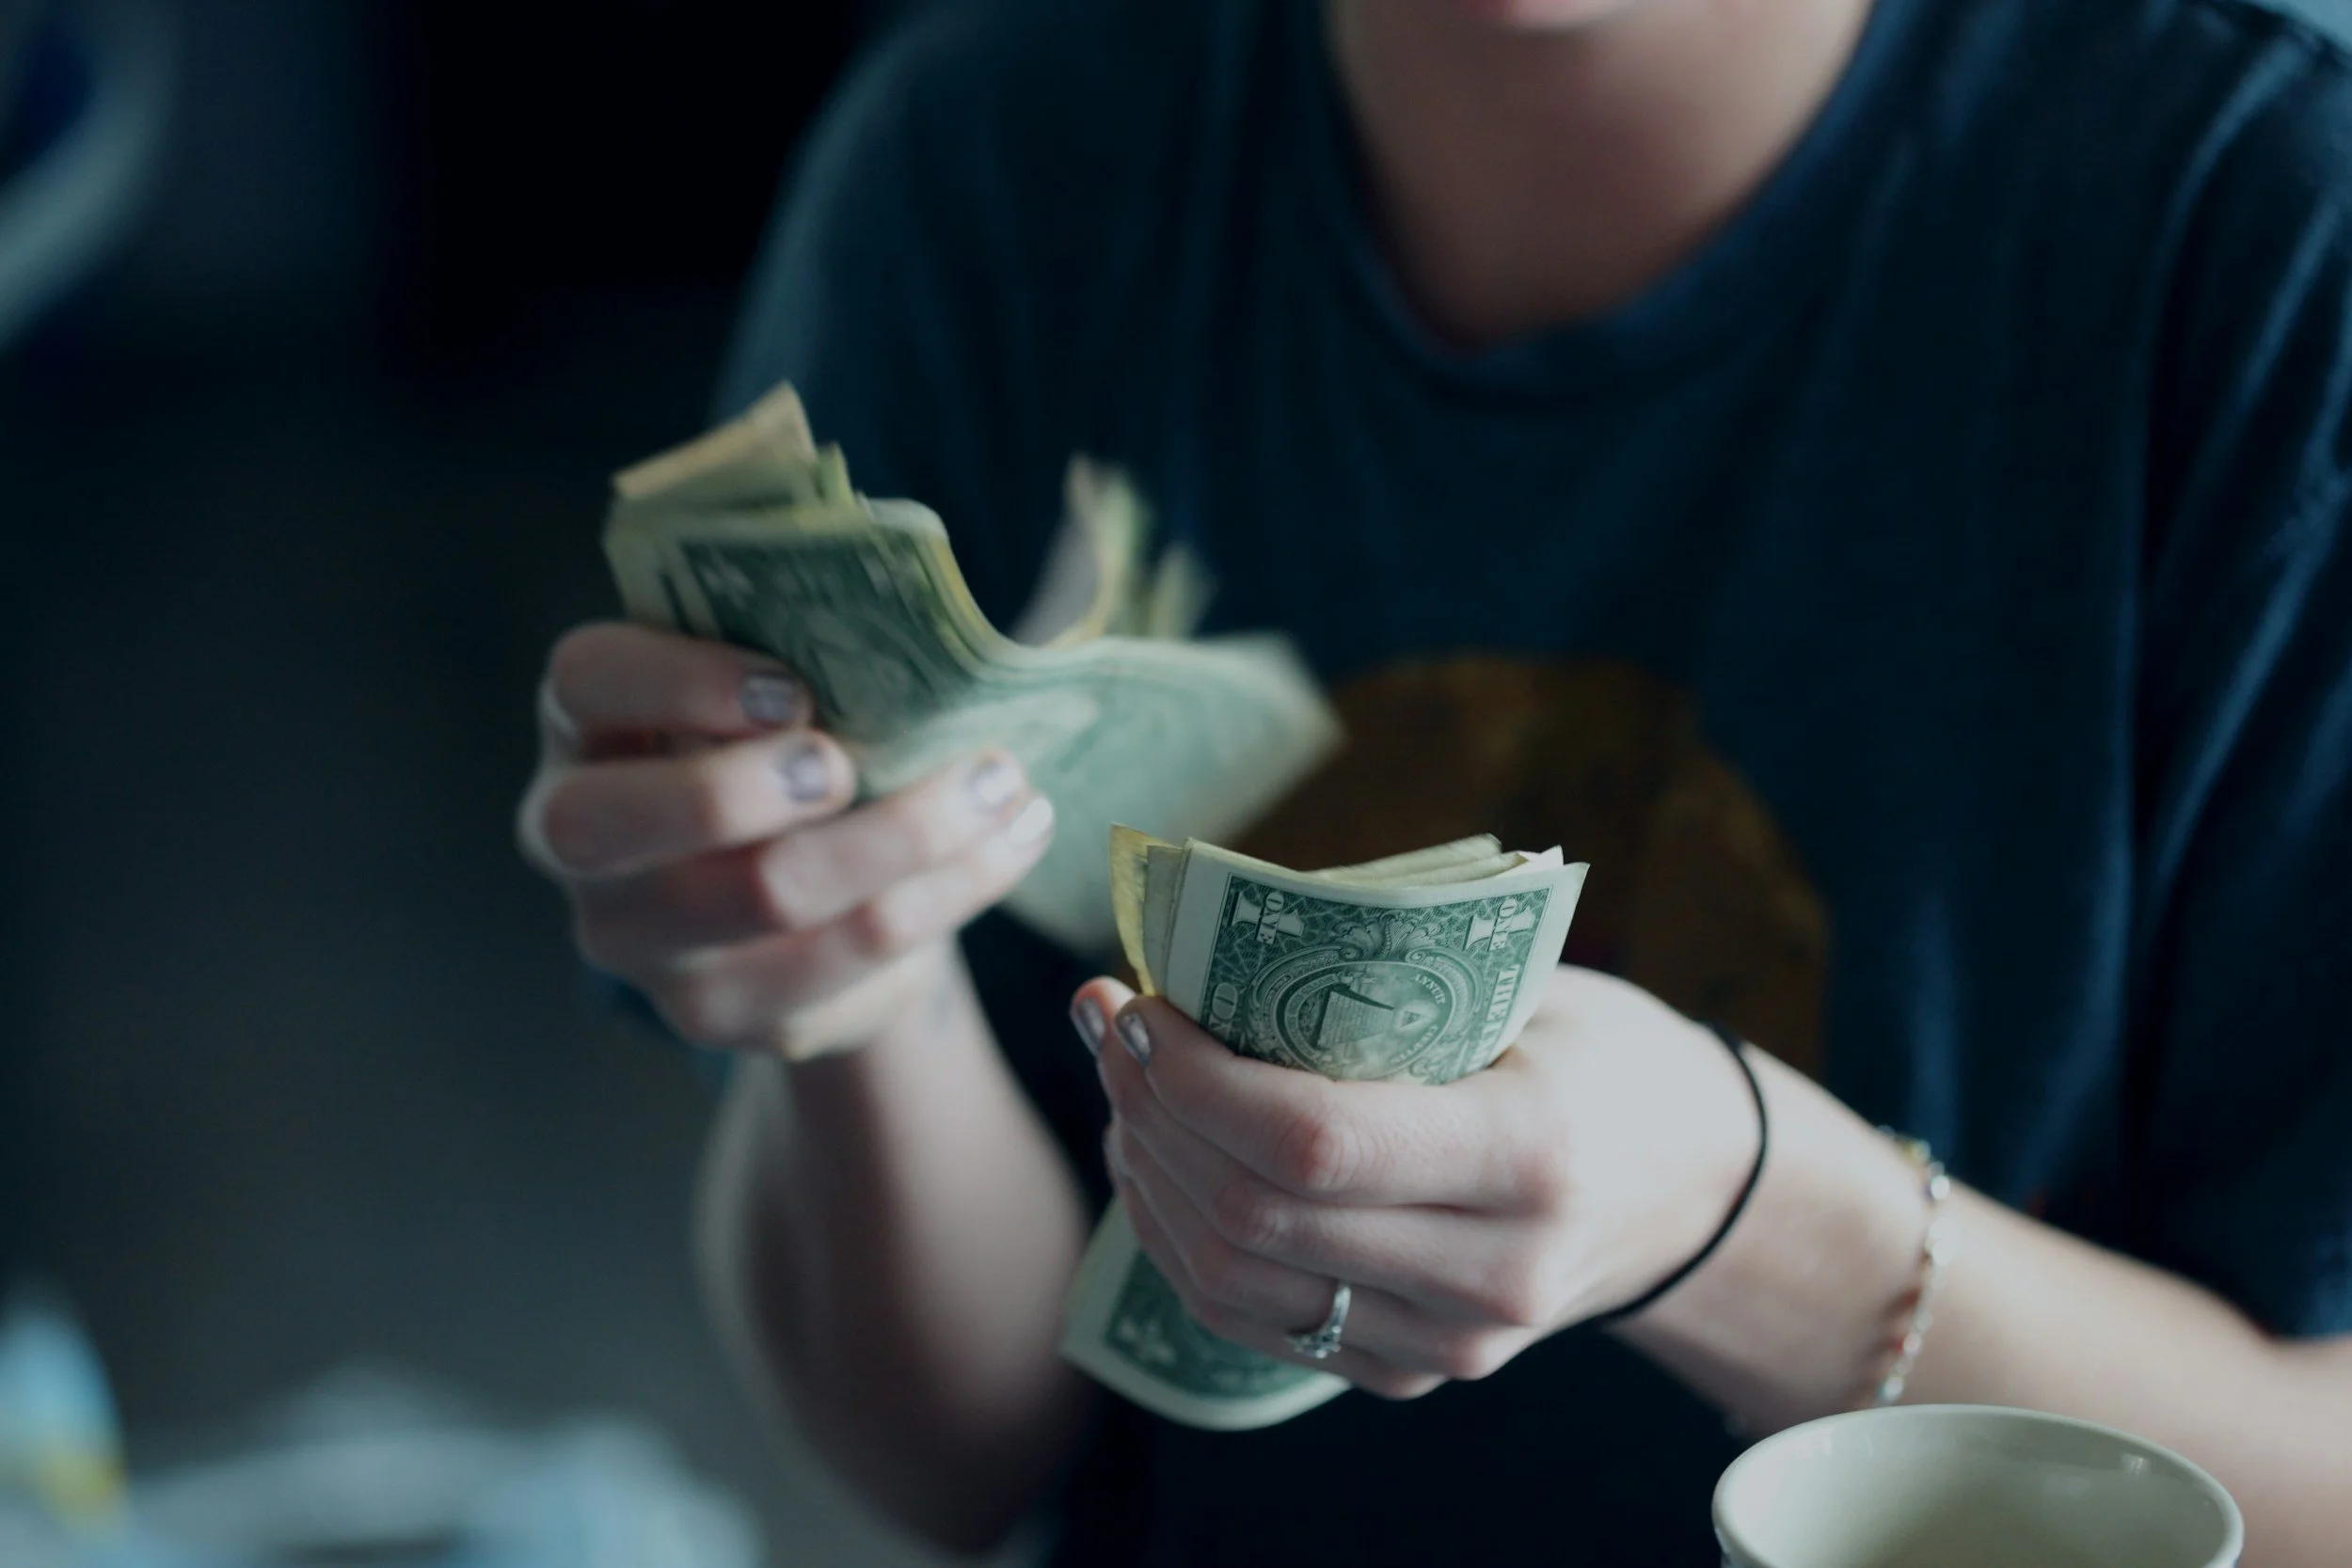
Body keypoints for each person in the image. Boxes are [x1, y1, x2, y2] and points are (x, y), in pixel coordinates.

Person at [516, 0, 2352, 1560]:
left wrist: (1747, 1215)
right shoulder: (995, 157)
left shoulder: (2263, 241)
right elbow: (963, 1454)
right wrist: (850, 994)